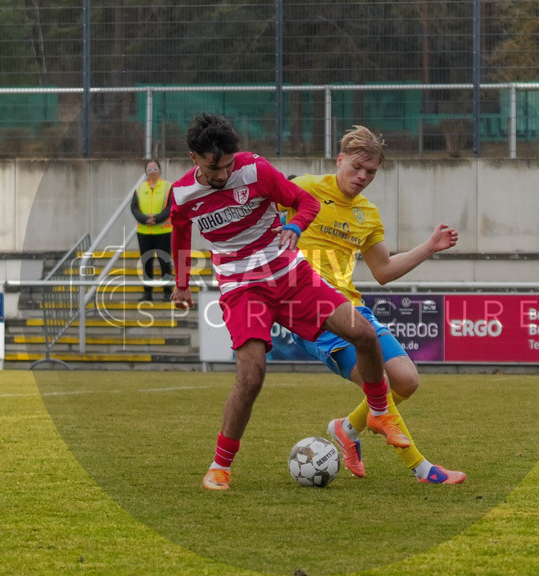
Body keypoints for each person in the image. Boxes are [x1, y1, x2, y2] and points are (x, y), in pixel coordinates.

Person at [169, 113, 410, 491]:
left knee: (363, 333)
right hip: (242, 288)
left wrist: (294, 226)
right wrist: (181, 283)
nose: (223, 174)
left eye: (229, 164)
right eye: (215, 167)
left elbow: (305, 203)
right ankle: (220, 466)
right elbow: (180, 232)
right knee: (251, 376)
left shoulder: (255, 171)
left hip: (290, 276)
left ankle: (379, 412)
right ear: (194, 158)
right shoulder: (182, 194)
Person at [287, 125, 466, 485]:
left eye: (371, 172)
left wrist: (429, 246)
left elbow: (383, 270)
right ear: (339, 160)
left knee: (408, 381)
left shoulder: (366, 214)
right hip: (312, 313)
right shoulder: (303, 189)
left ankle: (346, 429)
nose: (363, 177)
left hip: (354, 309)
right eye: (356, 167)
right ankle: (422, 469)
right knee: (381, 385)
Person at [130, 160, 173, 301]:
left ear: (160, 170)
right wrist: (144, 219)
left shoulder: (168, 187)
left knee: (164, 262)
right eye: (149, 170)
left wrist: (157, 218)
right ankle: (148, 293)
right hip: (144, 232)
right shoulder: (140, 188)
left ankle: (167, 292)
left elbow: (170, 207)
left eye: (155, 168)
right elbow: (134, 208)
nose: (152, 171)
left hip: (163, 231)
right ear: (146, 173)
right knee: (146, 262)